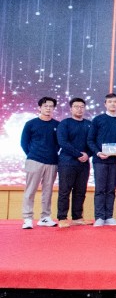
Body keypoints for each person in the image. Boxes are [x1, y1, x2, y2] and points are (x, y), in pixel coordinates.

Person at [20, 96, 60, 229]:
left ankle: (45, 217)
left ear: (54, 108)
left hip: (52, 162)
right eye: (45, 106)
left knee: (48, 191)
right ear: (39, 108)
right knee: (30, 190)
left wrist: (51, 153)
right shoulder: (30, 124)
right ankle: (27, 218)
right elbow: (24, 143)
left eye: (51, 106)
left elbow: (59, 144)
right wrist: (32, 154)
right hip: (34, 160)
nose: (48, 108)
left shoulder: (57, 125)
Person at [87, 93, 116, 227]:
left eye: (115, 102)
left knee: (111, 189)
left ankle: (109, 216)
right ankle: (99, 216)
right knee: (100, 189)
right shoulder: (98, 120)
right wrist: (98, 153)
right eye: (110, 102)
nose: (112, 104)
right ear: (105, 104)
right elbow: (90, 140)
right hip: (100, 160)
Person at [55, 97, 91, 227]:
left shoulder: (89, 124)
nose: (79, 109)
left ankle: (77, 217)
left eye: (82, 107)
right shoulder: (64, 123)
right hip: (67, 162)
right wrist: (78, 154)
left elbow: (92, 142)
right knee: (65, 190)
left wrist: (88, 154)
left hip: (84, 163)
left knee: (80, 191)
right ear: (71, 109)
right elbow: (63, 142)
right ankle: (62, 217)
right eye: (76, 106)